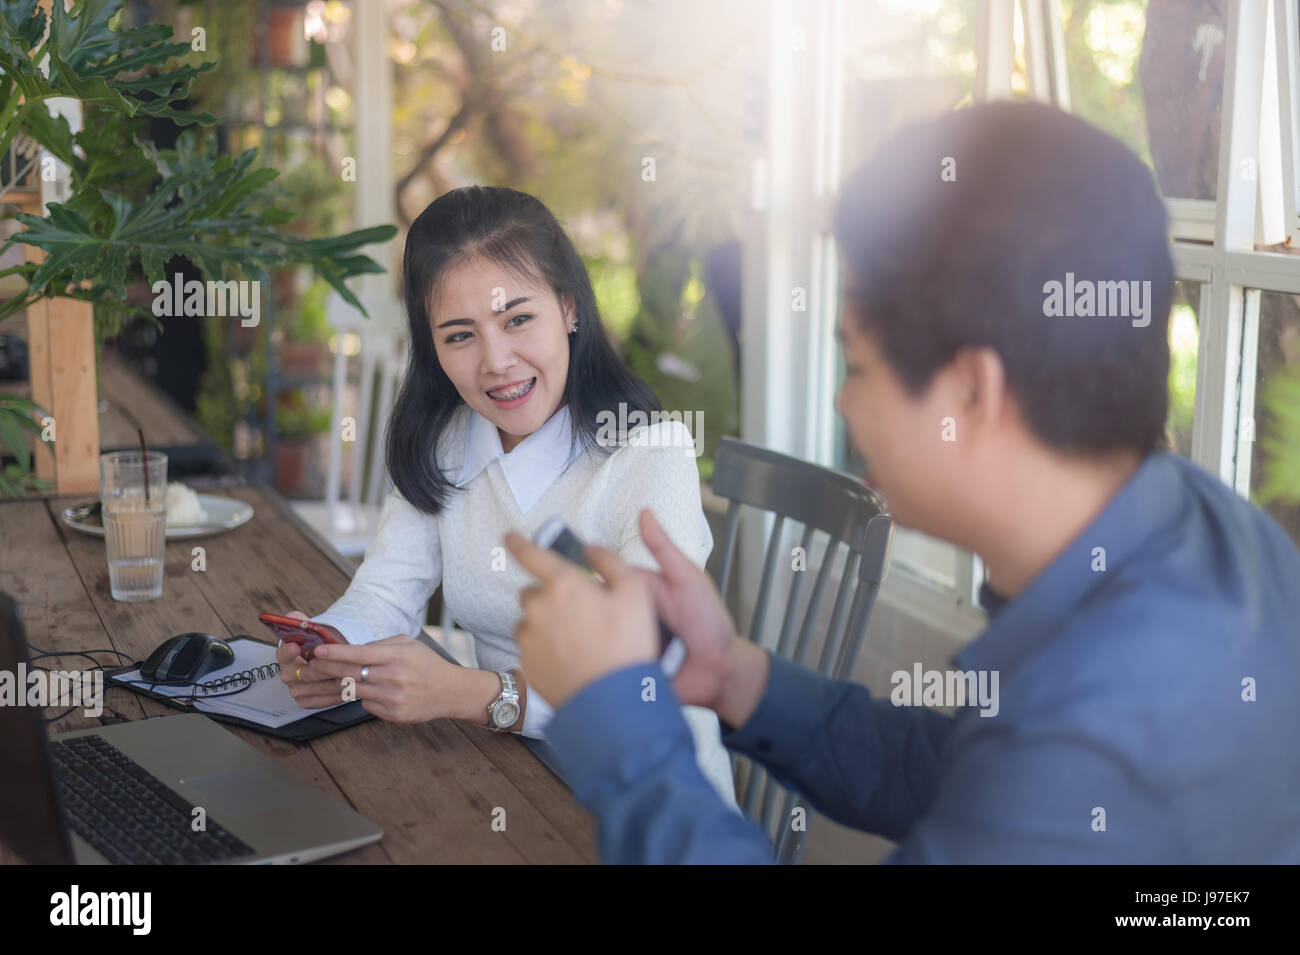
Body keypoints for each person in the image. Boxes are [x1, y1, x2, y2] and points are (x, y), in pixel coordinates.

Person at [505, 101, 1300, 863]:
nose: (844, 402)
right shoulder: (1207, 530)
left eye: (857, 363)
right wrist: (733, 674)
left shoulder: (1103, 730)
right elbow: (967, 775)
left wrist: (617, 715)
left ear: (973, 394)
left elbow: (1040, 781)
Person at [276, 185, 737, 807]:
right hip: (514, 774)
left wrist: (472, 693)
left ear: (570, 309)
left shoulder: (650, 454)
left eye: (518, 319)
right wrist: (329, 644)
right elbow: (387, 590)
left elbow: (641, 677)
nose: (496, 361)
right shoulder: (445, 442)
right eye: (460, 335)